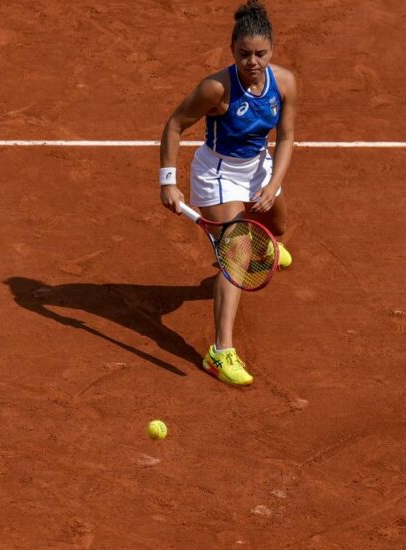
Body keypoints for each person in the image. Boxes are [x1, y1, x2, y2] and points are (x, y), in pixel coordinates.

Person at [158, 0, 298, 386]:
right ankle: (220, 352)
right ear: (232, 49)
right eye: (243, 54)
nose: (252, 62)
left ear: (272, 49)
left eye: (260, 53)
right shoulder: (216, 88)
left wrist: (271, 185)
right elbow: (174, 125)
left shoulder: (284, 83)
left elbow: (285, 137)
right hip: (219, 174)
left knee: (279, 228)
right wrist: (168, 180)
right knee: (235, 254)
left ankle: (261, 243)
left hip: (259, 166)